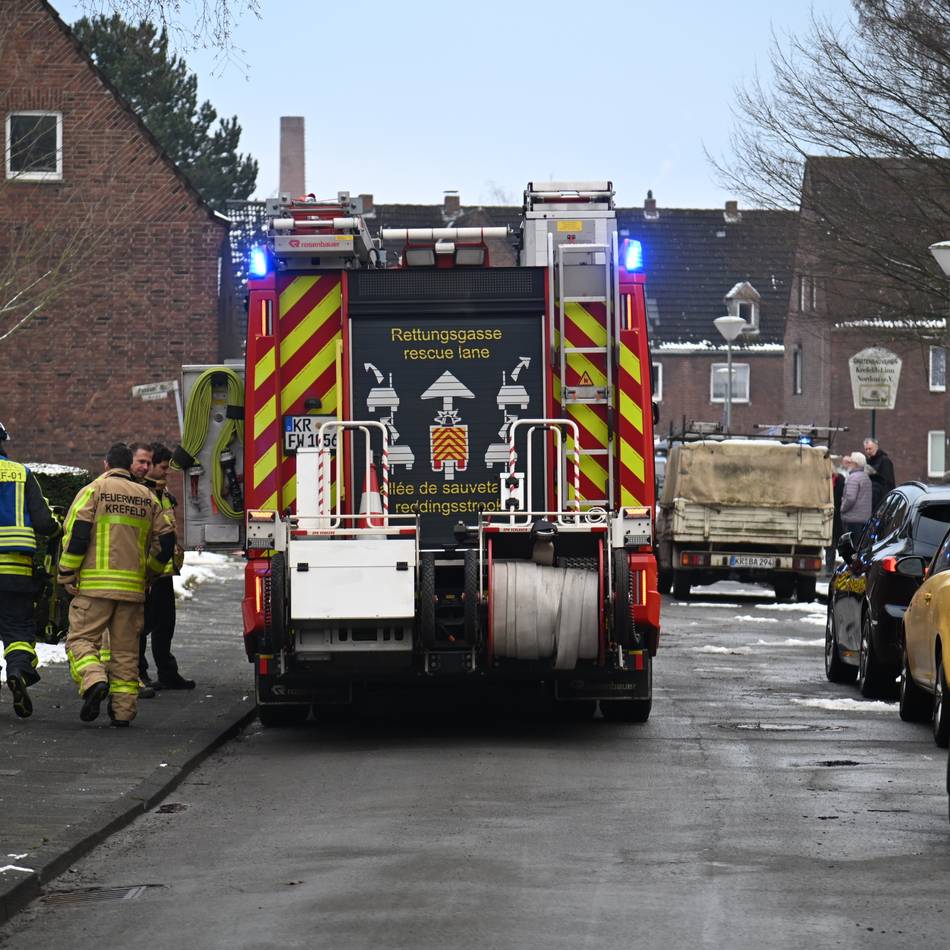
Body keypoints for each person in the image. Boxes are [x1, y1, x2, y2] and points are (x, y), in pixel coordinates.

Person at [58, 443, 175, 727]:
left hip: (94, 587)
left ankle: (94, 679)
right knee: (125, 653)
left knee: (80, 640)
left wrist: (67, 572)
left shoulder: (93, 491)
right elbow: (167, 542)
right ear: (128, 467)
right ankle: (123, 712)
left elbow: (77, 534)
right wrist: (150, 573)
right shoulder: (148, 497)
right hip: (133, 590)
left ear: (106, 465)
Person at [0, 421, 56, 718]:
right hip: (15, 571)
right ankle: (19, 671)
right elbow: (45, 522)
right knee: (17, 629)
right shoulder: (21, 473)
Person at [140, 443, 194, 690]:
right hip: (148, 572)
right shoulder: (142, 493)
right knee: (141, 625)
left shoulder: (163, 494)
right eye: (162, 467)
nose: (166, 472)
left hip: (164, 571)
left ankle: (167, 672)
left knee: (165, 624)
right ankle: (139, 672)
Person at [840, 450, 873, 540]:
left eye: (851, 462)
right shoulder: (865, 477)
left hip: (852, 518)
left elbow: (850, 498)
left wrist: (842, 508)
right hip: (864, 518)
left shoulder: (854, 478)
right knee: (859, 544)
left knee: (850, 546)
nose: (849, 464)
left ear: (855, 464)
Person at [863, 437, 895, 512]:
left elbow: (888, 482)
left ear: (876, 447)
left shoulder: (884, 460)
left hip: (881, 499)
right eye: (866, 449)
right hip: (871, 498)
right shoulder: (868, 461)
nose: (868, 451)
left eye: (870, 449)